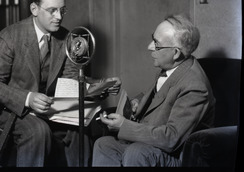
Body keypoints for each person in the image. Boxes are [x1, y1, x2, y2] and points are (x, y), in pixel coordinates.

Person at [0, 0, 121, 167]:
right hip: (14, 111)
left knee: (81, 128)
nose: (59, 17)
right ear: (34, 9)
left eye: (62, 10)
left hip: (52, 110)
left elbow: (71, 80)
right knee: (38, 131)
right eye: (52, 10)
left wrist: (100, 86)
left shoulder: (67, 38)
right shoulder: (10, 37)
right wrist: (28, 98)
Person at [92, 14, 216, 167]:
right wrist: (138, 102)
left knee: (137, 152)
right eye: (153, 39)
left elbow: (171, 138)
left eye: (157, 44)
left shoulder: (195, 86)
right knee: (104, 145)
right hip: (152, 146)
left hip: (178, 157)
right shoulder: (170, 68)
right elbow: (161, 97)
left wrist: (124, 126)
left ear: (175, 53)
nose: (149, 46)